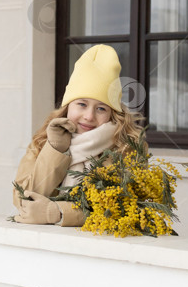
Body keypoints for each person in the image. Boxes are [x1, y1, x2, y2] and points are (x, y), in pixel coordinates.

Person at [12, 44, 144, 226]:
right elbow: (23, 199)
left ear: (113, 113)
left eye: (101, 108)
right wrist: (56, 150)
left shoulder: (127, 148)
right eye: (81, 104)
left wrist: (58, 213)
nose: (89, 116)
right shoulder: (43, 141)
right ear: (68, 106)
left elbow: (128, 209)